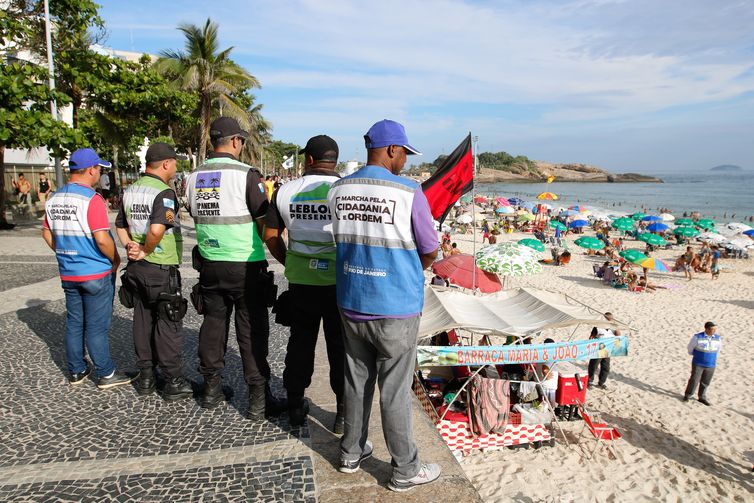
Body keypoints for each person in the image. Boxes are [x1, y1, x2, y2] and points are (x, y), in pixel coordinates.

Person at [328, 119, 441, 492]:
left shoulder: (339, 189)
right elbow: (429, 250)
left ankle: (350, 452)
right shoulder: (408, 192)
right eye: (404, 153)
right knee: (394, 390)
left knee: (356, 381)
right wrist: (407, 267)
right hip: (394, 305)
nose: (405, 161)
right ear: (392, 149)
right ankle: (406, 469)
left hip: (351, 299)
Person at [185, 117, 286, 418]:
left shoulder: (193, 176)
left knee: (213, 326)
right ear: (235, 141)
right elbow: (263, 223)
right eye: (241, 141)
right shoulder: (246, 175)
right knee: (251, 329)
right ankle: (258, 399)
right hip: (244, 265)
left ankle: (211, 389)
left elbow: (194, 212)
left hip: (210, 265)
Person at [264, 134, 345, 432]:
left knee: (300, 344)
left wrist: (289, 261)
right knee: (340, 349)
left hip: (301, 283)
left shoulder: (285, 191)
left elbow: (270, 236)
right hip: (339, 284)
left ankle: (296, 404)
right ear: (334, 160)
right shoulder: (344, 191)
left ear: (308, 160)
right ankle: (342, 415)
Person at [42, 148, 133, 389]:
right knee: (97, 326)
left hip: (68, 272)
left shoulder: (54, 198)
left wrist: (64, 252)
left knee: (74, 322)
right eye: (99, 169)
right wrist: (114, 260)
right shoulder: (91, 199)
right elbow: (102, 238)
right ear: (91, 170)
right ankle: (106, 373)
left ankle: (76, 370)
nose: (99, 173)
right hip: (95, 272)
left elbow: (46, 233)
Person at [114, 143, 192, 401]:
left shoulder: (131, 190)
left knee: (143, 320)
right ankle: (172, 380)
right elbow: (158, 230)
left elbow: (120, 225)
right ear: (167, 164)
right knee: (169, 321)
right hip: (160, 266)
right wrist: (146, 250)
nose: (176, 167)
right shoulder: (164, 192)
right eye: (175, 162)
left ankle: (146, 377)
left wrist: (131, 248)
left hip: (137, 269)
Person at [683, 322, 721, 406]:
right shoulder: (697, 337)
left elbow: (718, 349)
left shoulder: (718, 338)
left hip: (711, 364)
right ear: (706, 329)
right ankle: (688, 395)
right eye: (712, 329)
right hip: (698, 363)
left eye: (715, 329)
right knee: (694, 379)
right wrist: (697, 356)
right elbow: (690, 348)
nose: (714, 331)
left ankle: (702, 397)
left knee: (706, 381)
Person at [588, 312, 621, 389]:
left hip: (607, 350)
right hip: (598, 349)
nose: (610, 320)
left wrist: (615, 325)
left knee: (605, 367)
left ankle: (601, 382)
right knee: (594, 365)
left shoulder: (613, 328)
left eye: (611, 319)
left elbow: (618, 335)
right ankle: (590, 381)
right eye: (608, 319)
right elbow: (591, 337)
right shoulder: (598, 327)